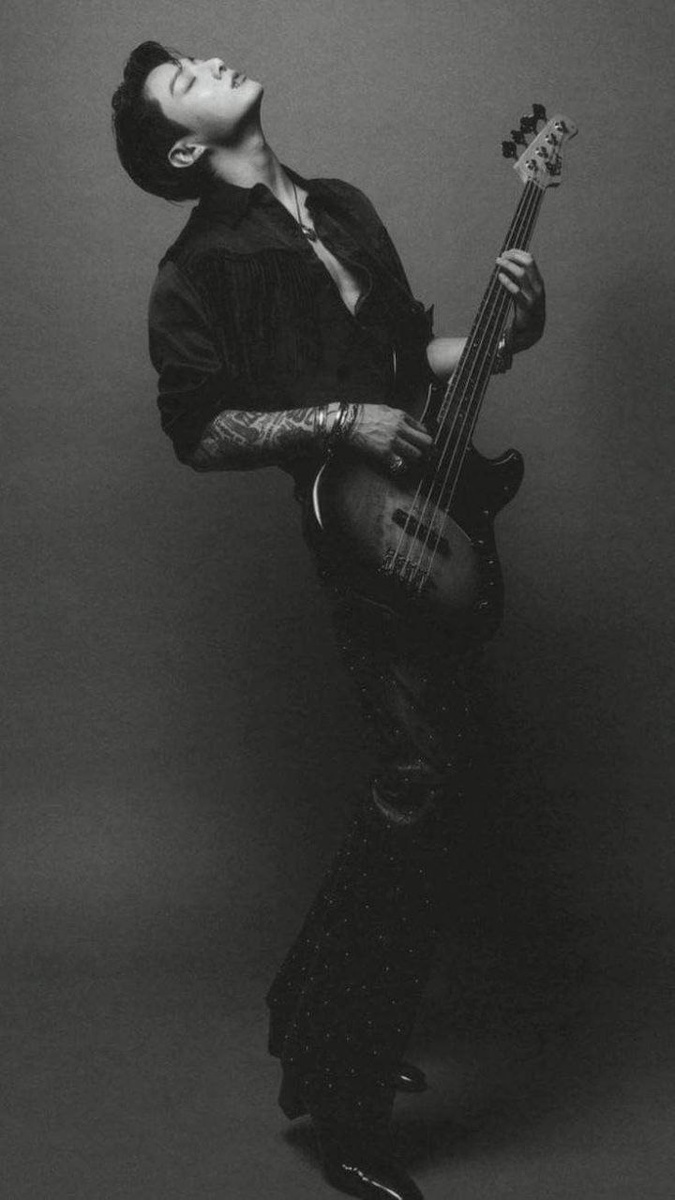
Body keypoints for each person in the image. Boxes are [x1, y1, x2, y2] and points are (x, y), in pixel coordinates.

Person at [112, 41, 545, 1200]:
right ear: (184, 151)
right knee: (422, 784)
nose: (208, 58)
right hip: (357, 533)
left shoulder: (345, 206)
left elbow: (418, 362)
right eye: (185, 79)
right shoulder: (194, 269)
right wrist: (339, 421)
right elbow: (199, 430)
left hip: (438, 512)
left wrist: (507, 329)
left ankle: (306, 1012)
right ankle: (344, 1107)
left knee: (424, 785)